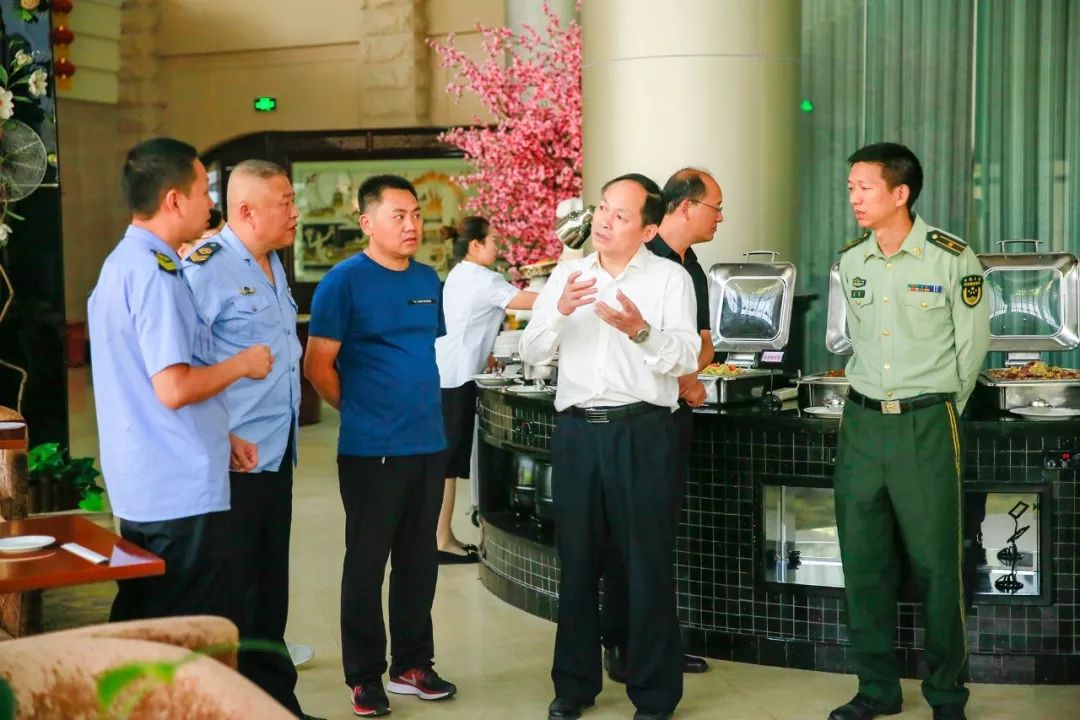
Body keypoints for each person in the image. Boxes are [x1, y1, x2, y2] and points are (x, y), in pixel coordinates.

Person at [520, 174, 699, 720]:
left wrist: (641, 330)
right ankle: (574, 686)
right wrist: (560, 311)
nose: (603, 221)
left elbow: (687, 360)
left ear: (648, 229)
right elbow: (531, 351)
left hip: (642, 431)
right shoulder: (568, 274)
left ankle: (653, 694)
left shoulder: (670, 280)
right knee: (574, 562)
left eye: (620, 215)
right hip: (577, 433)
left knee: (646, 564)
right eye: (602, 209)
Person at [829, 142, 989, 720]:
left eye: (865, 188)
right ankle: (876, 689)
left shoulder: (951, 258)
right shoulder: (851, 262)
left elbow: (971, 351)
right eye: (850, 188)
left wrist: (939, 407)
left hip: (926, 423)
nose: (854, 198)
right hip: (862, 425)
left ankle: (946, 694)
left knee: (936, 565)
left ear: (901, 193)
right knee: (864, 563)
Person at [87, 137, 272, 624]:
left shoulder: (120, 265)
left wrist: (219, 432)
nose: (211, 202)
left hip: (145, 478)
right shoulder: (157, 274)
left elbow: (143, 381)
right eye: (203, 191)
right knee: (187, 633)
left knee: (145, 617)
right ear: (174, 200)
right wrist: (244, 364)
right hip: (177, 485)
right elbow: (172, 387)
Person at [304, 174, 457, 718]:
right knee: (367, 563)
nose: (412, 224)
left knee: (420, 560)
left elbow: (421, 353)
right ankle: (364, 675)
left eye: (416, 214)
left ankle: (412, 665)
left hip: (428, 442)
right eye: (398, 215)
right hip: (373, 450)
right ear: (367, 222)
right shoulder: (343, 282)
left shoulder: (427, 279)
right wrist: (363, 412)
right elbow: (317, 365)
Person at [183, 160, 312, 718]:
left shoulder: (273, 262)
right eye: (284, 202)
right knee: (232, 597)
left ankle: (277, 705)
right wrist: (223, 432)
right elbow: (178, 367)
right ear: (245, 211)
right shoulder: (205, 268)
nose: (295, 212)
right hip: (231, 460)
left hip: (276, 454)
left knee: (270, 591)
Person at [599, 167, 722, 683]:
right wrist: (686, 381)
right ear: (684, 207)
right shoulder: (641, 265)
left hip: (672, 415)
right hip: (639, 417)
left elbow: (700, 342)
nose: (720, 217)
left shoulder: (689, 267)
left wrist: (690, 377)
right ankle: (625, 647)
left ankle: (655, 644)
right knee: (627, 541)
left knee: (655, 537)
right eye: (715, 207)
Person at [434, 216, 537, 563]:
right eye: (493, 240)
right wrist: (572, 291)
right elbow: (527, 302)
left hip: (447, 373)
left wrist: (490, 352)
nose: (498, 247)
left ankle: (441, 535)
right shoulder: (483, 278)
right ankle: (440, 541)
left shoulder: (461, 274)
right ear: (476, 245)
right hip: (457, 376)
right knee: (447, 464)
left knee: (445, 462)